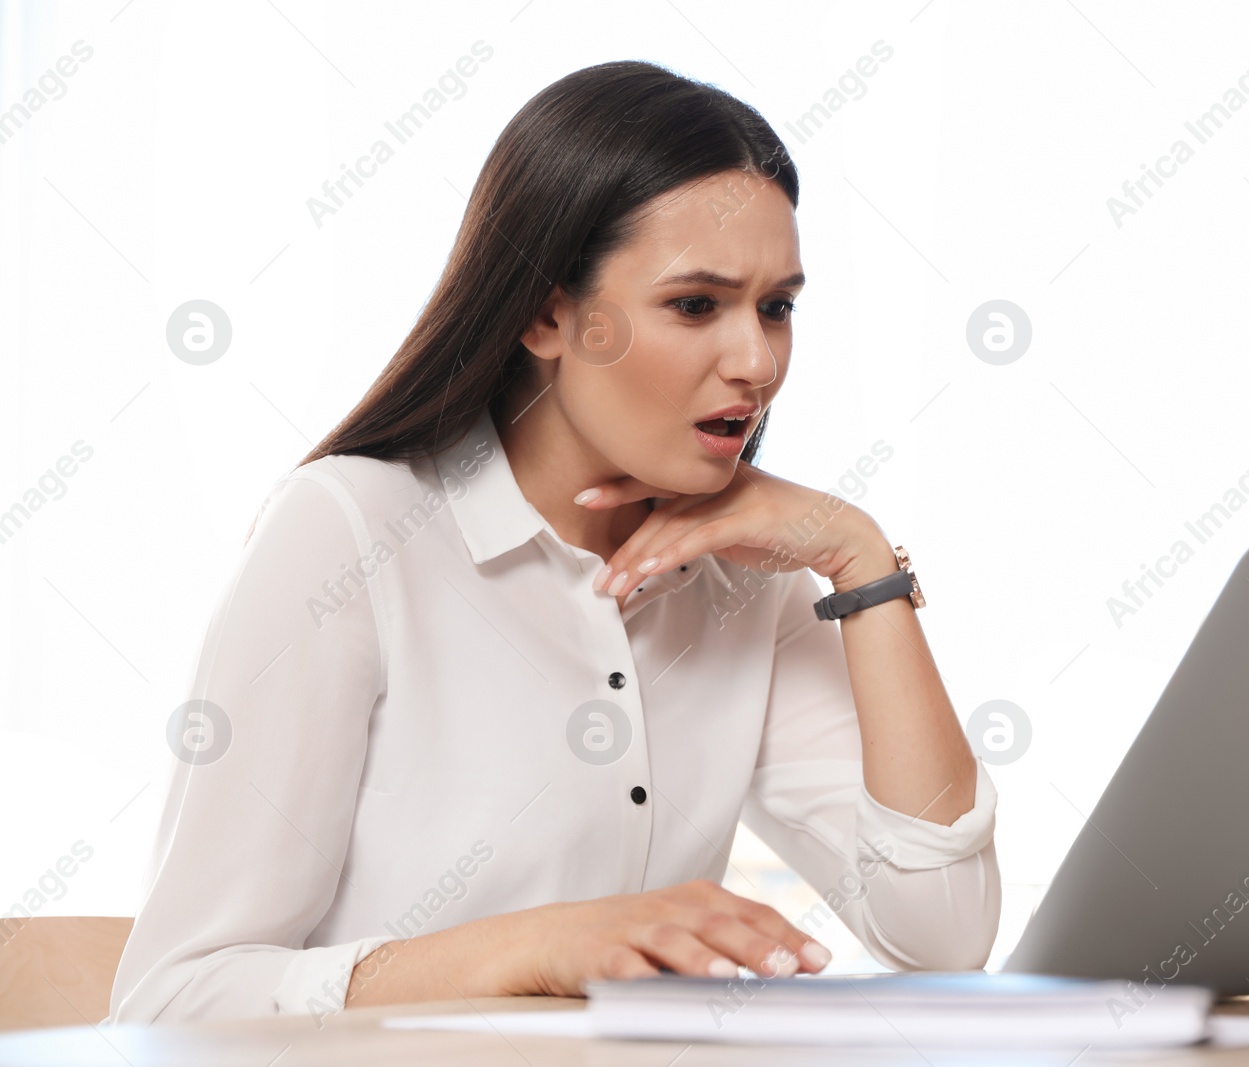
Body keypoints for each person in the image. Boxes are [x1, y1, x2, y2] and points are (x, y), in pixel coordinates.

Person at [107, 59, 999, 1023]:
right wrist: (528, 947)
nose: (757, 363)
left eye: (777, 306)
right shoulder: (346, 533)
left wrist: (860, 558)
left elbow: (943, 935)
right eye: (695, 305)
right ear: (546, 312)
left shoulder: (753, 583)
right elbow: (171, 998)